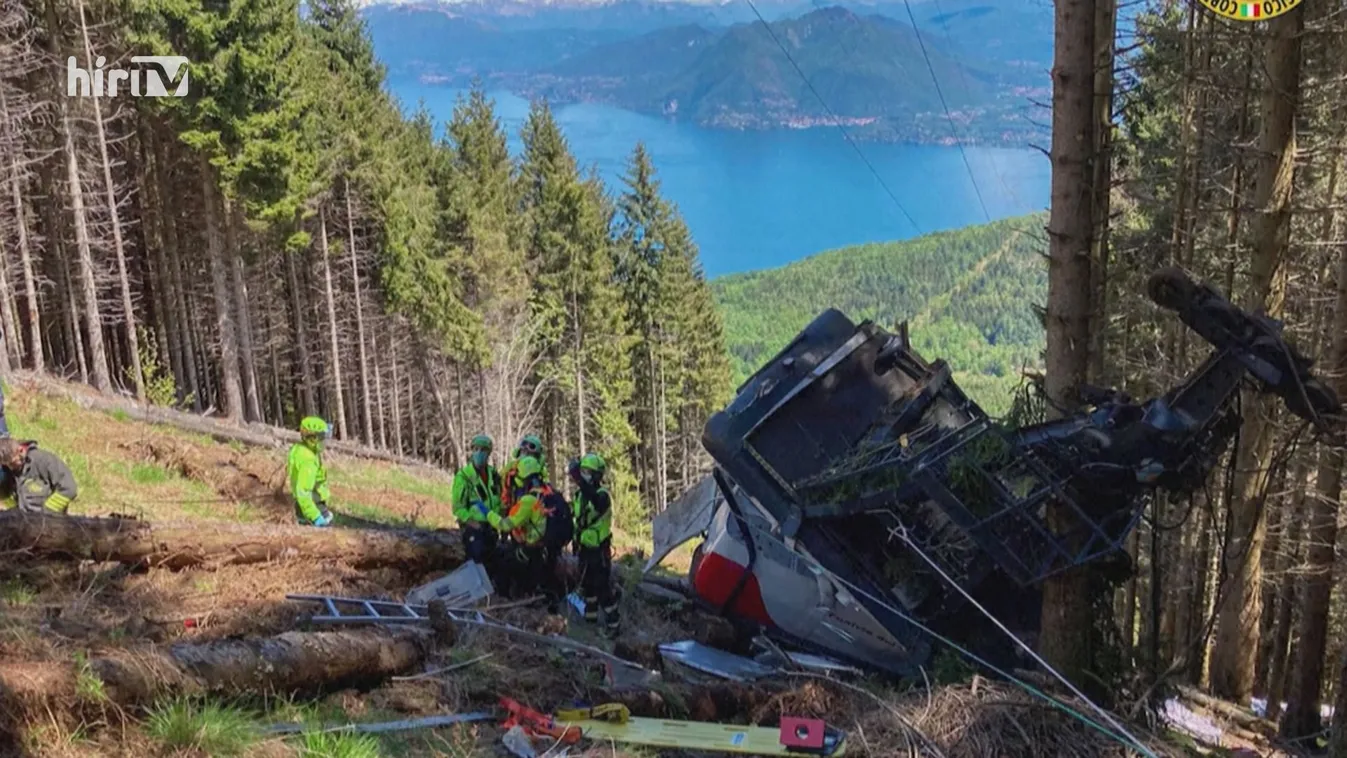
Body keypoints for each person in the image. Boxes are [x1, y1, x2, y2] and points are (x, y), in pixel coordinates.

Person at [494, 455, 568, 614]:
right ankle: (550, 605)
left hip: (533, 548)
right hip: (550, 548)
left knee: (504, 563)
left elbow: (506, 525)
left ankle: (508, 603)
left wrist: (487, 513)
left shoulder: (529, 500)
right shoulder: (550, 494)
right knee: (546, 577)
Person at [570, 453, 620, 636]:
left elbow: (597, 504)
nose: (584, 475)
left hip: (599, 551)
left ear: (597, 475)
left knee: (602, 588)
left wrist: (579, 480)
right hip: (584, 548)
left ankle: (614, 624)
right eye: (582, 471)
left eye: (588, 472)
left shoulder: (602, 496)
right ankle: (590, 620)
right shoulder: (579, 496)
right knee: (587, 586)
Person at [451, 434, 503, 566]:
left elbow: (499, 498)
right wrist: (472, 522)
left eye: (483, 450)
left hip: (492, 527)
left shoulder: (494, 474)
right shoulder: (464, 477)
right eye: (476, 449)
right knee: (476, 563)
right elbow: (458, 508)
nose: (479, 453)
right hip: (474, 528)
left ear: (489, 453)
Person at [0, 437, 77, 514]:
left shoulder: (45, 461)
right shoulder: (7, 468)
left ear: (21, 450)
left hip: (50, 520)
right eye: (7, 465)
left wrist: (47, 512)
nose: (11, 468)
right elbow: (6, 495)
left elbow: (69, 488)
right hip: (23, 521)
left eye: (13, 463)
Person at [288, 416, 334, 526]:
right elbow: (303, 492)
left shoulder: (299, 450)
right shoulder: (308, 461)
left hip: (304, 506)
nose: (325, 442)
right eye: (322, 438)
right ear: (312, 439)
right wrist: (316, 517)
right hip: (313, 506)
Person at [500, 434, 546, 514]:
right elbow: (501, 479)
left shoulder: (540, 470)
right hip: (513, 505)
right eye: (523, 450)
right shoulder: (512, 465)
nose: (524, 453)